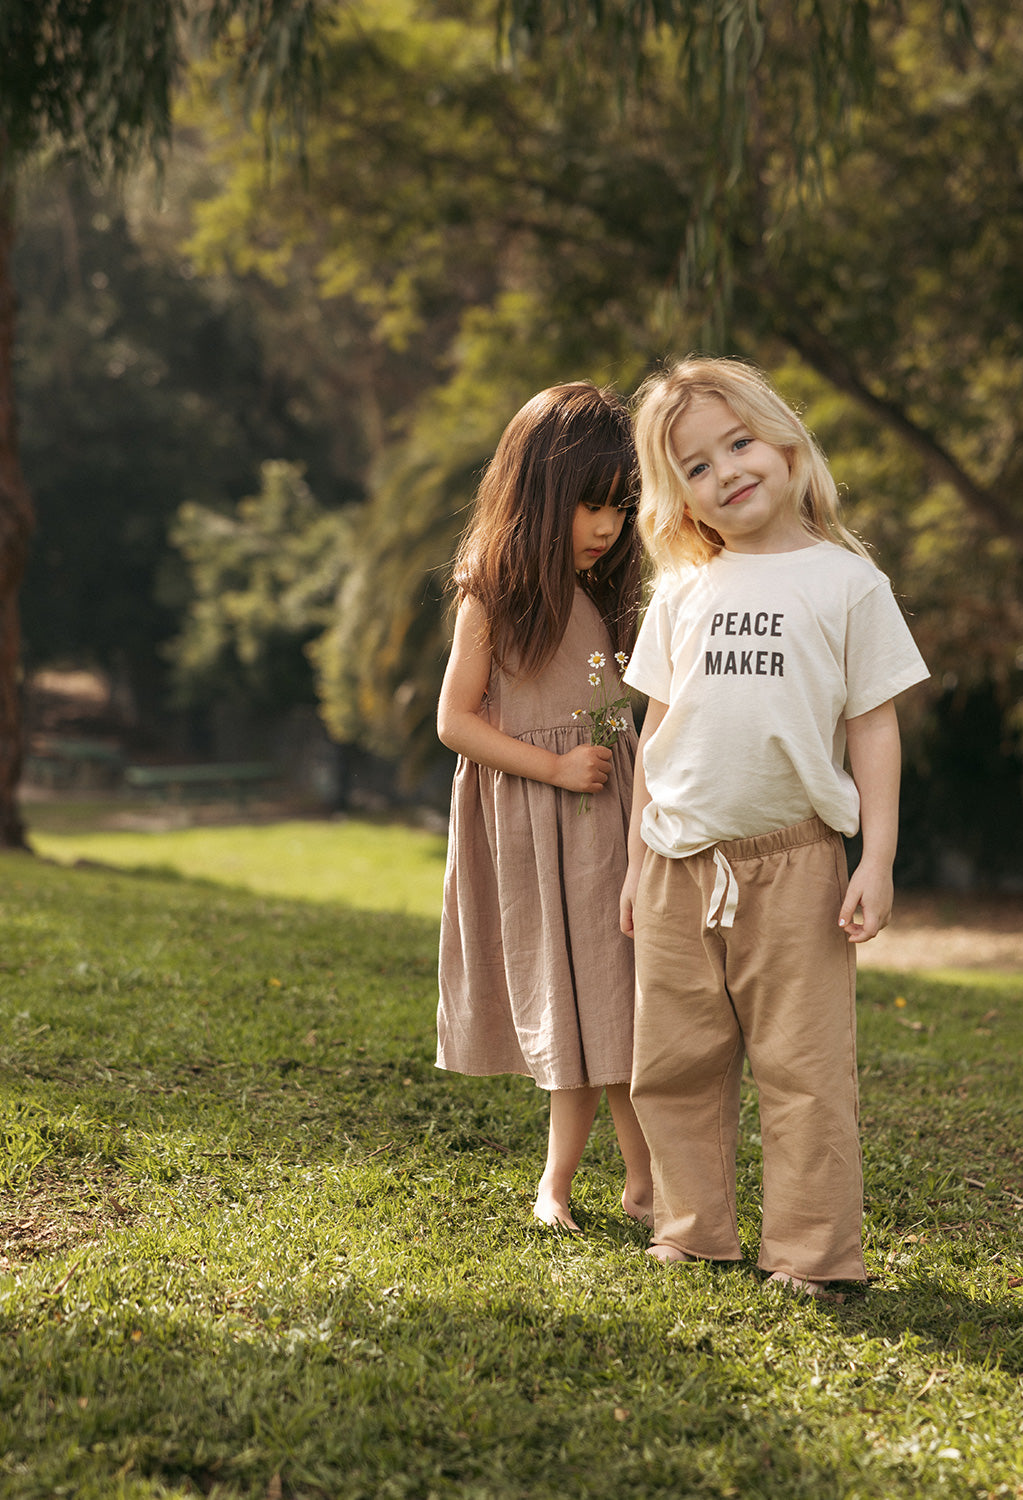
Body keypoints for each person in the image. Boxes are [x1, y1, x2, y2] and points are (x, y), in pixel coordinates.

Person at [619, 356, 929, 1296]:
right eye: (698, 468)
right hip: (678, 862)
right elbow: (654, 738)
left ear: (787, 442)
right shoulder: (680, 593)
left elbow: (874, 726)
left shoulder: (847, 584)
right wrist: (637, 864)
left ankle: (811, 1252)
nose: (727, 472)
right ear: (682, 499)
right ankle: (691, 1227)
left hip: (796, 863)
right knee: (673, 1063)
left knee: (804, 1070)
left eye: (739, 444)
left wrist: (874, 859)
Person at [437, 382, 652, 1232]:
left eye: (619, 507)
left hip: (613, 822)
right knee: (567, 1000)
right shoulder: (491, 592)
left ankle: (642, 1183)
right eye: (589, 505)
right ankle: (555, 1185)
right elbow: (455, 722)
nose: (605, 526)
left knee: (622, 1000)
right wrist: (553, 770)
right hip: (537, 822)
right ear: (538, 495)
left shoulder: (610, 591)